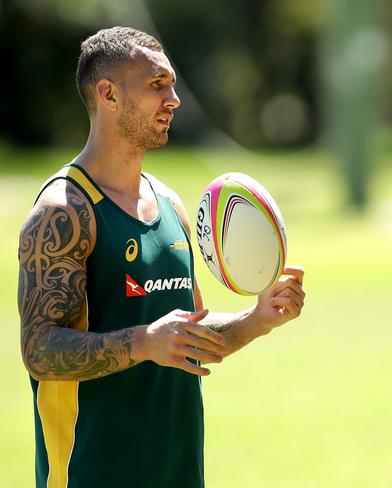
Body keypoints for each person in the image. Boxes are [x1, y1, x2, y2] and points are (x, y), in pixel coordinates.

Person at [17, 26, 305, 488]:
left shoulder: (170, 206)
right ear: (108, 94)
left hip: (180, 473)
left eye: (172, 84)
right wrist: (141, 342)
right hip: (91, 474)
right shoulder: (64, 212)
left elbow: (182, 339)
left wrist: (257, 319)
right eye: (157, 85)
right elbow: (39, 350)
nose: (174, 99)